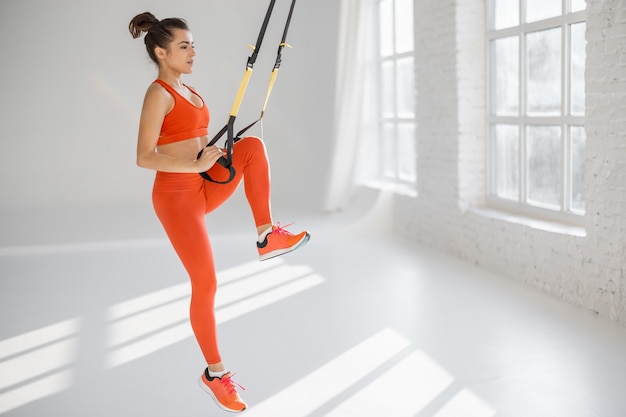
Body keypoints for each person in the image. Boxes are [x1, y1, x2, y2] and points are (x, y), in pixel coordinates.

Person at [128, 11, 310, 413]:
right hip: (177, 197)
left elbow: (191, 141)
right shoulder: (158, 92)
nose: (193, 51)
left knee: (252, 149)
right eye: (183, 46)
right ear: (161, 52)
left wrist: (207, 159)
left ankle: (267, 234)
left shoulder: (189, 90)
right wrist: (194, 165)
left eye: (192, 43)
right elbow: (144, 156)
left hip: (203, 184)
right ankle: (214, 374)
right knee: (206, 283)